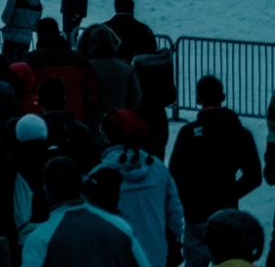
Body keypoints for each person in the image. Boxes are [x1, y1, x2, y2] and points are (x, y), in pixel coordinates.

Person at [168, 78, 260, 267]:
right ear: (223, 97)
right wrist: (230, 192)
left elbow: (174, 176)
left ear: (198, 99)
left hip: (195, 214)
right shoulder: (240, 133)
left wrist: (189, 199)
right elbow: (254, 177)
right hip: (227, 215)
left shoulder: (187, 133)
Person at [100, 111, 184, 267]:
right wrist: (175, 241)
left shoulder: (99, 175)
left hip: (118, 257)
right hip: (156, 254)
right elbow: (174, 212)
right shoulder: (158, 168)